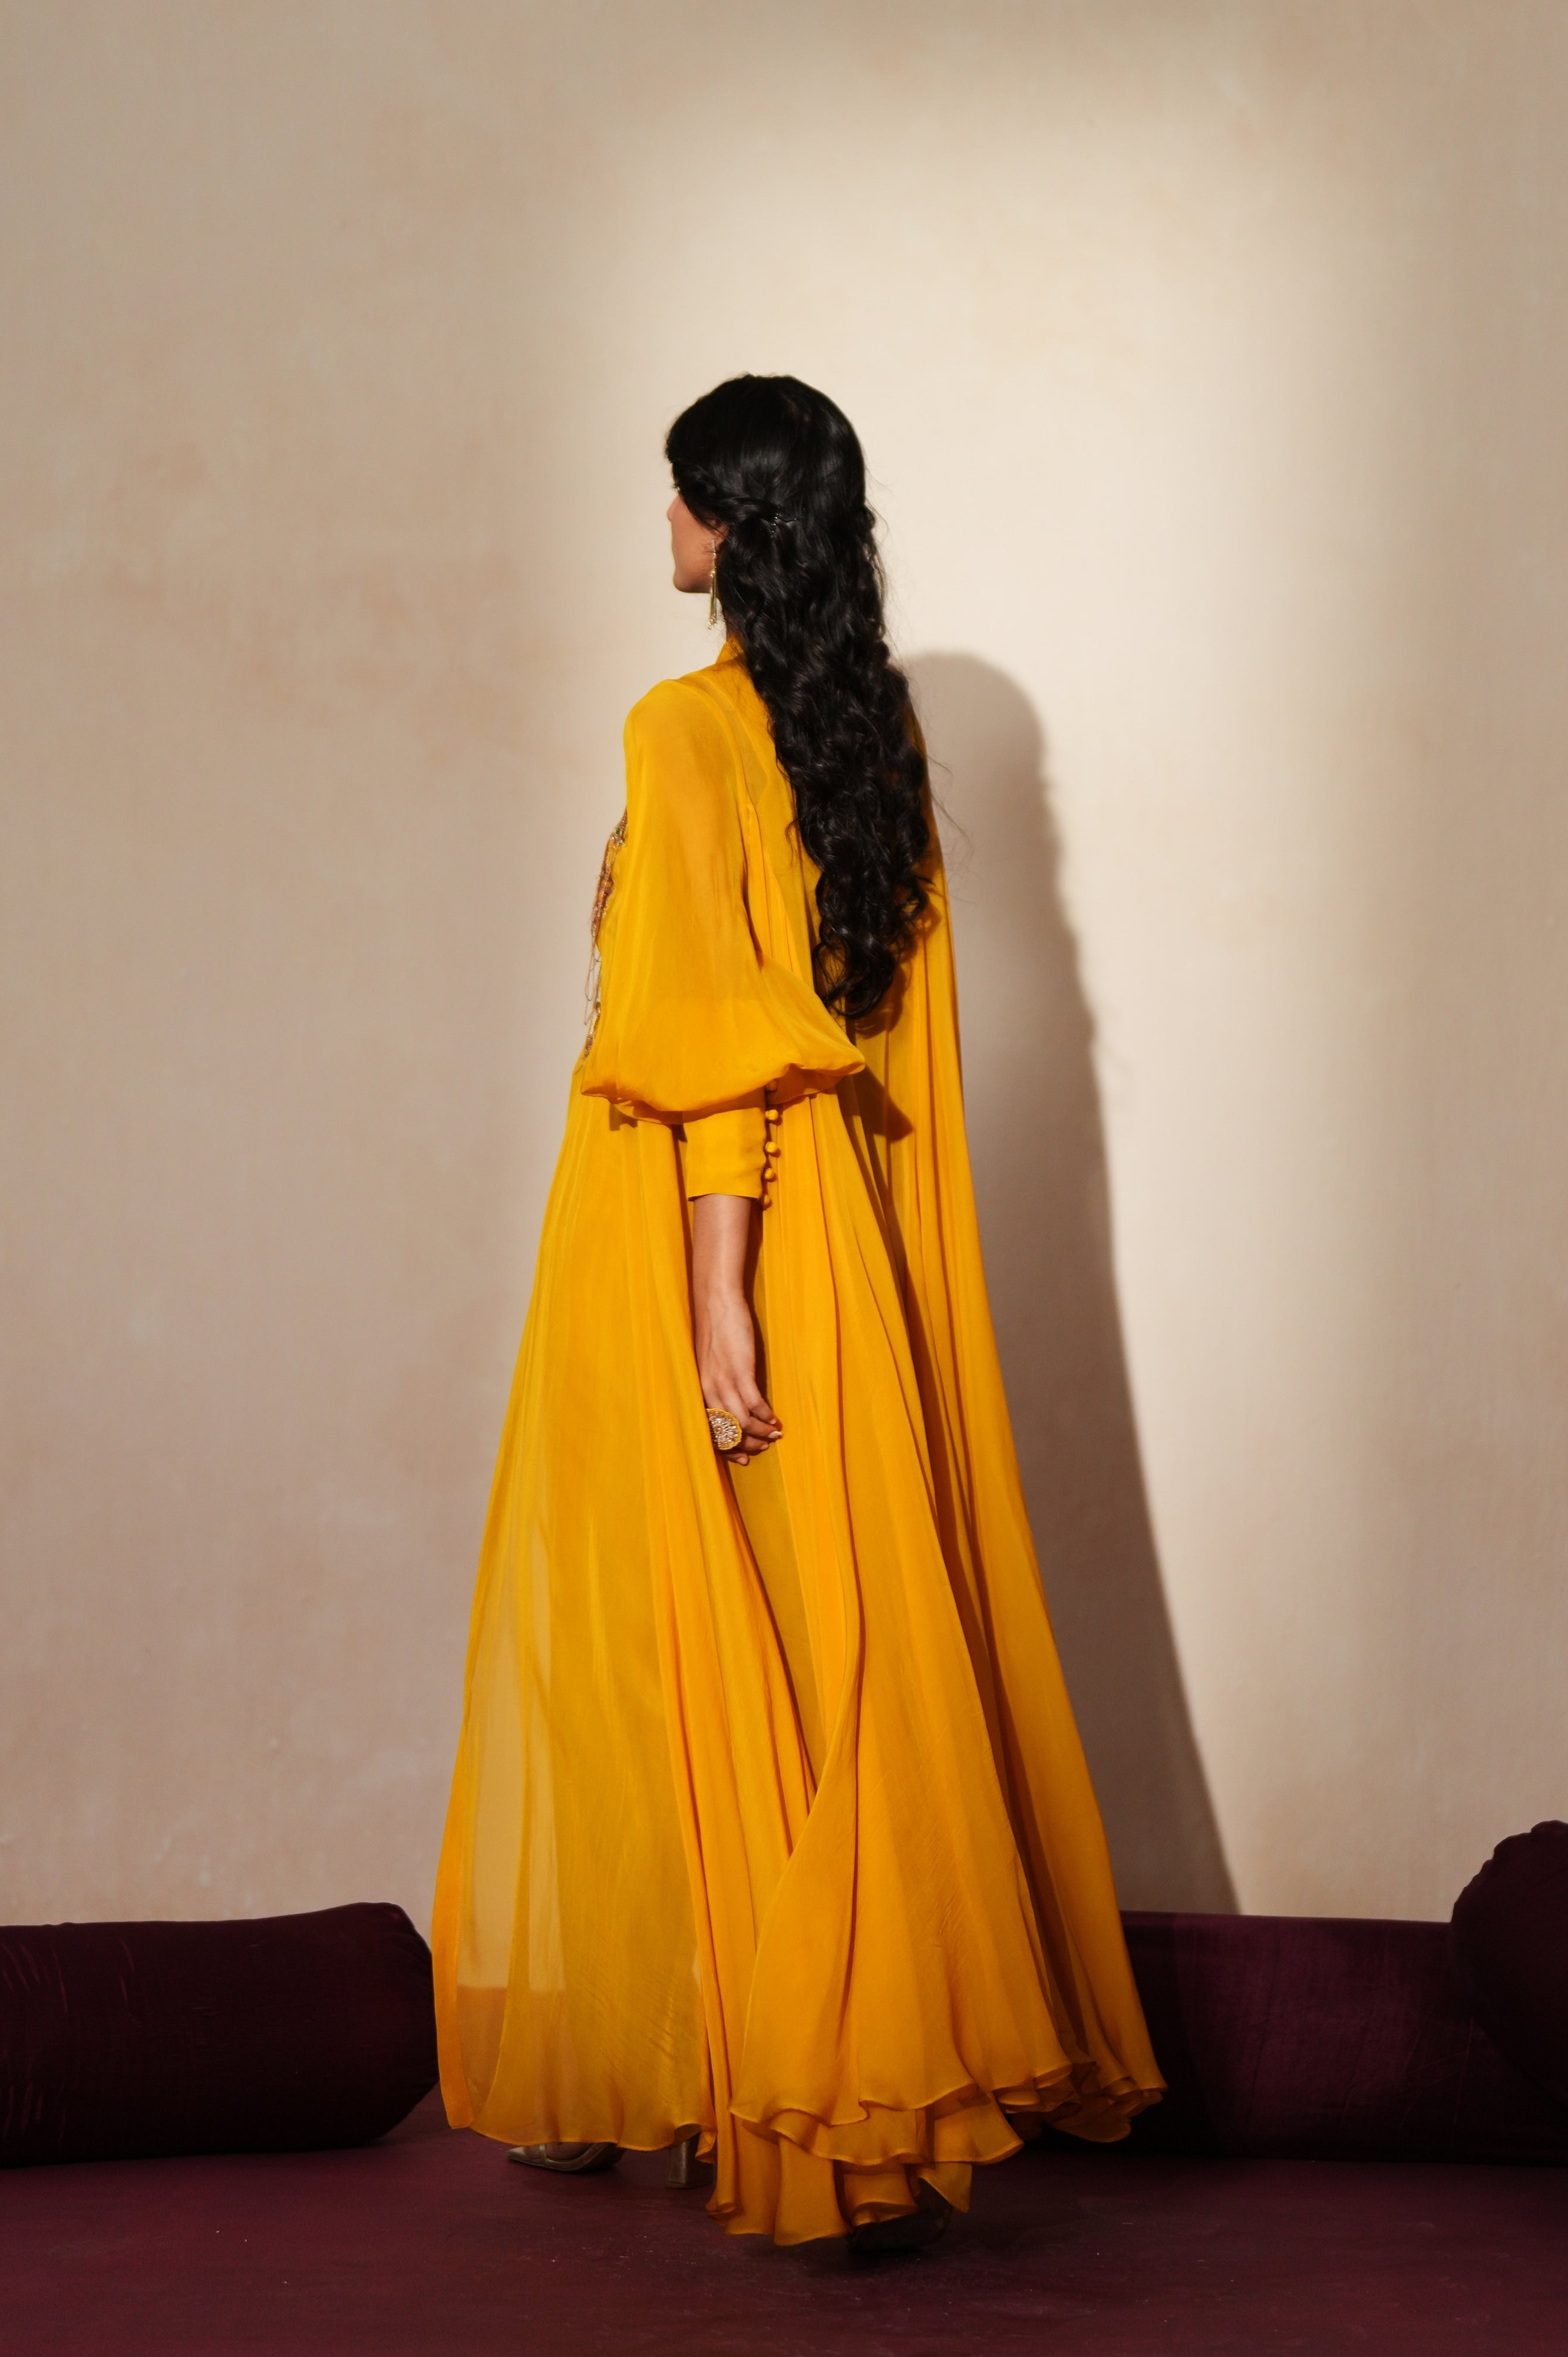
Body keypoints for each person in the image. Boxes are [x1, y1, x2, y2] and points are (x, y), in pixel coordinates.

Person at [432, 375, 1162, 2252]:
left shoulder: (678, 729)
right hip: (855, 1254)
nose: (657, 524)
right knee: (811, 1654)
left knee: (668, 1648)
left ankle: (744, 2085)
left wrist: (718, 1300)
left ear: (729, 527)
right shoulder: (870, 733)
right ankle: (741, 2059)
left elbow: (706, 1055)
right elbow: (873, 1049)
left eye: (678, 497)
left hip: (703, 1243)